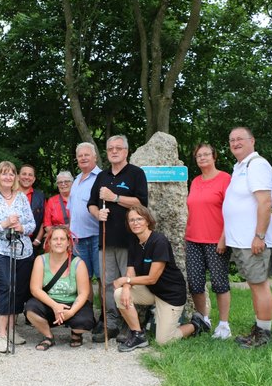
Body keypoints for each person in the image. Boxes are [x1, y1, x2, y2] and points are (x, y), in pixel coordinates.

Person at [113, 206, 209, 352]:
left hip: (170, 295)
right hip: (151, 292)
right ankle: (138, 335)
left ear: (147, 221)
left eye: (139, 219)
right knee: (119, 294)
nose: (135, 223)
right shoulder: (134, 241)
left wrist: (125, 281)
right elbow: (130, 272)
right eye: (131, 220)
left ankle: (197, 324)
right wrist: (126, 287)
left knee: (164, 341)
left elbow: (152, 278)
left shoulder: (159, 241)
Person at [88, 135, 148, 343]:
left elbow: (141, 203)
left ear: (126, 151)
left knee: (127, 283)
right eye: (110, 148)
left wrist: (115, 198)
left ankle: (129, 324)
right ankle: (110, 322)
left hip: (128, 239)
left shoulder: (136, 174)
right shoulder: (101, 176)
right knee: (107, 284)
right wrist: (97, 214)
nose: (114, 151)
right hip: (106, 240)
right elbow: (92, 203)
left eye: (118, 148)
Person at [222, 127, 272, 348]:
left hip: (253, 239)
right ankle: (259, 329)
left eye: (240, 139)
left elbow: (265, 202)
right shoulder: (240, 167)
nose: (235, 143)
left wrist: (259, 236)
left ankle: (264, 334)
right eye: (231, 139)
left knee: (259, 285)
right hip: (242, 240)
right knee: (254, 284)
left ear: (252, 141)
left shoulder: (257, 165)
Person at [0, 161, 35, 353]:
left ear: (15, 178)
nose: (8, 177)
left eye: (11, 174)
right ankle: (1, 334)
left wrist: (22, 228)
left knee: (18, 291)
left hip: (22, 251)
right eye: (4, 174)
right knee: (6, 287)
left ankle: (13, 330)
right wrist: (4, 223)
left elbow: (31, 224)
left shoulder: (21, 198)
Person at [185, 143, 232, 339]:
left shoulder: (225, 179)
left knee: (219, 283)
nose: (202, 158)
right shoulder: (195, 181)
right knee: (195, 283)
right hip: (193, 239)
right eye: (199, 156)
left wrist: (223, 238)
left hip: (216, 240)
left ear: (214, 157)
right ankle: (204, 319)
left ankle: (223, 325)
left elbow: (231, 211)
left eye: (206, 155)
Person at [25, 225, 95, 350]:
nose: (58, 242)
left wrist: (71, 312)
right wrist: (55, 306)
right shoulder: (41, 260)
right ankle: (48, 336)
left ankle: (76, 334)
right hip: (49, 303)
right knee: (30, 309)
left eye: (62, 239)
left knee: (85, 322)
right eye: (55, 239)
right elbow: (35, 289)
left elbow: (83, 293)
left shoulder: (78, 263)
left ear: (68, 242)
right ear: (49, 242)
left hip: (71, 304)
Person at [68, 142, 102, 284]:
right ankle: (86, 307)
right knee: (82, 279)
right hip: (78, 239)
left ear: (95, 157)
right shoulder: (76, 180)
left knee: (103, 278)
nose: (83, 158)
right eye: (80, 156)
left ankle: (105, 307)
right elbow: (72, 211)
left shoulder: (102, 177)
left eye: (86, 155)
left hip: (97, 236)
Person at [17, 164, 45, 248]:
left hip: (32, 242)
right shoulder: (9, 193)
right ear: (18, 177)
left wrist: (38, 240)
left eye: (30, 175)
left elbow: (44, 220)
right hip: (10, 241)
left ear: (33, 179)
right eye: (24, 174)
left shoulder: (40, 196)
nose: (27, 177)